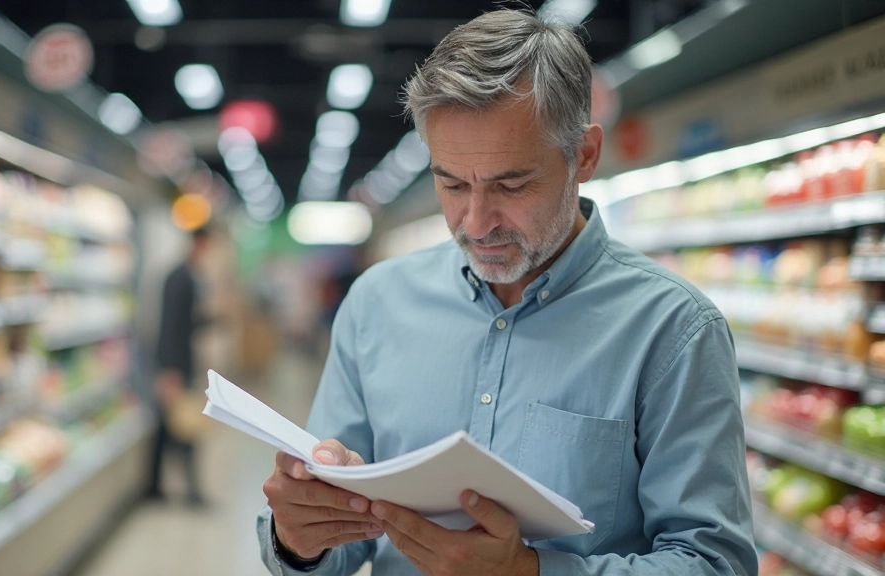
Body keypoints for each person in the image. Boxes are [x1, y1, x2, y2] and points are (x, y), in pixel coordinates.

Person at [256, 8, 758, 576]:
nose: (475, 222)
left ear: (584, 156)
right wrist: (300, 539)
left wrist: (530, 571)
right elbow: (342, 530)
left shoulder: (673, 330)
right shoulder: (376, 304)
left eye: (511, 185)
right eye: (451, 183)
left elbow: (714, 563)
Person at [148, 225, 212, 506]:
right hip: (175, 366)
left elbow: (186, 324)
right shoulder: (179, 278)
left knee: (166, 428)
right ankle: (191, 491)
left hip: (178, 363)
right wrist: (169, 369)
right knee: (185, 428)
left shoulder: (187, 276)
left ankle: (154, 486)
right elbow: (170, 325)